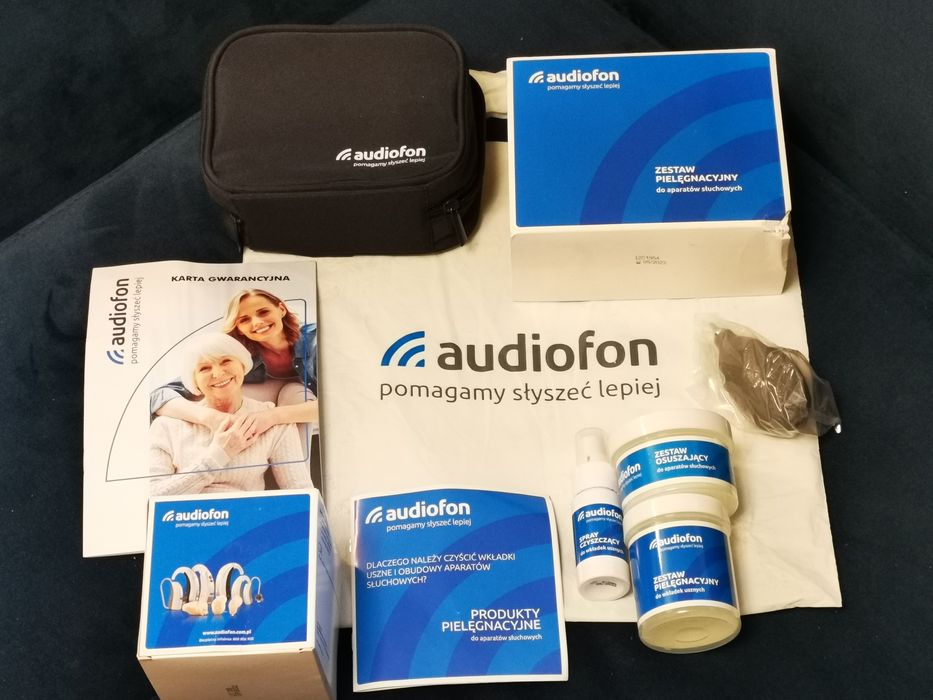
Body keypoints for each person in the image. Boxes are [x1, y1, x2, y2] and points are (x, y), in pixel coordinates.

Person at [149, 333, 312, 495]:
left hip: (247, 511)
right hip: (186, 512)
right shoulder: (166, 426)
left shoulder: (273, 422)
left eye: (226, 361)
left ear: (242, 365)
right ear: (194, 381)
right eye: (204, 368)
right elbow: (153, 497)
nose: (218, 373)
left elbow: (301, 493)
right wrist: (219, 454)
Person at [150, 288, 319, 441]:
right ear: (238, 328)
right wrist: (210, 418)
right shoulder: (237, 356)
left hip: (314, 413)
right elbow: (159, 395)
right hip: (276, 407)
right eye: (244, 320)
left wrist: (272, 416)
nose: (257, 322)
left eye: (263, 312)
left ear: (281, 309)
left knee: (295, 393)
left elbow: (331, 402)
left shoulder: (317, 341)